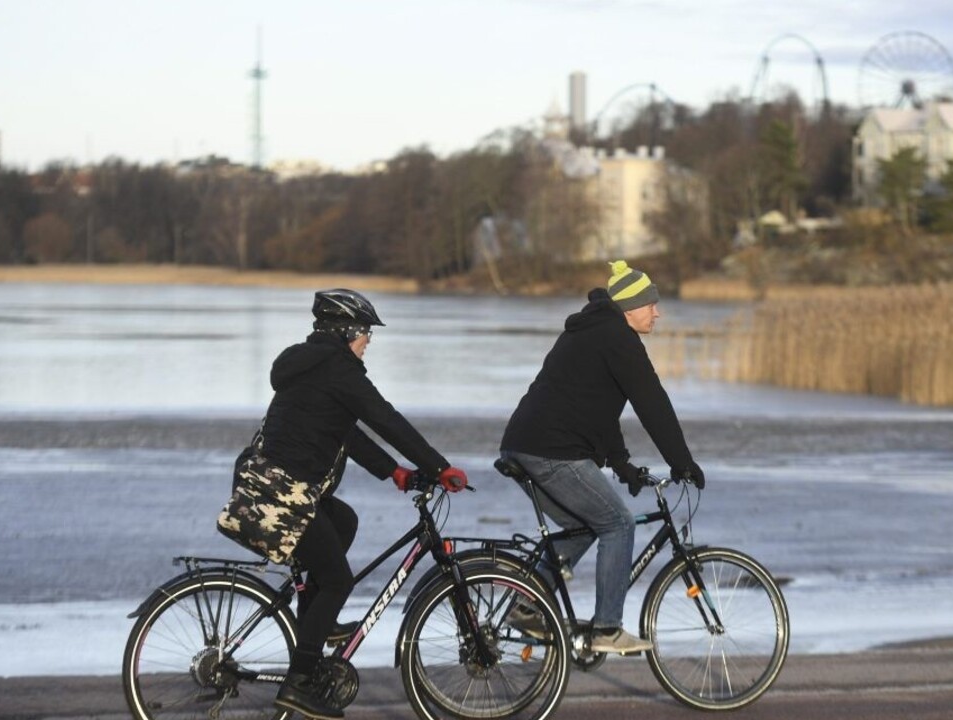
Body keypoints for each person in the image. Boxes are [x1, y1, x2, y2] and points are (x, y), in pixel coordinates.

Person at [220, 288, 468, 720]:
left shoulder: (311, 366)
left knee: (344, 521)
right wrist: (440, 466)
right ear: (347, 331)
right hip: (283, 495)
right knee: (339, 581)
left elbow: (345, 432)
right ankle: (298, 683)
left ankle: (315, 624)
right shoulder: (339, 370)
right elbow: (385, 418)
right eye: (366, 332)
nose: (368, 341)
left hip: (270, 488)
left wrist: (395, 471)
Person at [500, 260, 705, 654]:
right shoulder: (619, 339)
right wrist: (682, 462)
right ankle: (607, 629)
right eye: (651, 305)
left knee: (584, 525)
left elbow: (595, 404)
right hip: (552, 451)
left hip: (525, 444)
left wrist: (621, 462)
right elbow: (653, 404)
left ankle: (526, 605)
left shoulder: (594, 332)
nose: (657, 312)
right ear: (629, 308)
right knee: (617, 524)